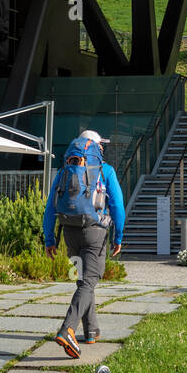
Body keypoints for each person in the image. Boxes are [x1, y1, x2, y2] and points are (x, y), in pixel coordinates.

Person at [44, 128, 125, 359]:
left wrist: (50, 239)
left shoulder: (63, 172)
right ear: (97, 147)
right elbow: (117, 206)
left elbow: (50, 208)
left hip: (69, 232)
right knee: (88, 281)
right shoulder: (105, 170)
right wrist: (118, 237)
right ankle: (68, 329)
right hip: (94, 233)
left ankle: (91, 330)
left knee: (82, 280)